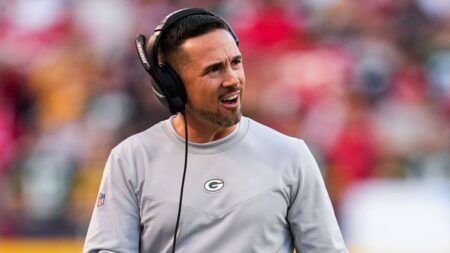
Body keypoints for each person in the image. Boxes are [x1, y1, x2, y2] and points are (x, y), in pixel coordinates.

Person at [83, 8, 348, 253]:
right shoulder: (130, 159)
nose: (233, 79)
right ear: (171, 85)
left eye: (235, 62)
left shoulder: (292, 155)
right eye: (214, 70)